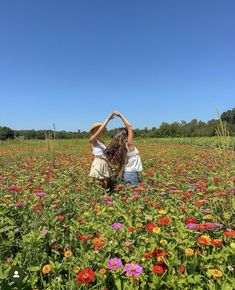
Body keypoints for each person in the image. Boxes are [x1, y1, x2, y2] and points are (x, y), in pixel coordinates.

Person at [104, 112, 143, 186]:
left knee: (129, 195)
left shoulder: (123, 147)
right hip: (131, 175)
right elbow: (130, 127)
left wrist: (118, 173)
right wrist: (120, 115)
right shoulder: (129, 145)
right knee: (133, 195)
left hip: (128, 173)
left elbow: (122, 163)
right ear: (126, 135)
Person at [89, 112, 115, 188]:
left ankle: (105, 197)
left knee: (106, 183)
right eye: (98, 129)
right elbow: (100, 130)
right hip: (98, 162)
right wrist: (109, 118)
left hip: (105, 162)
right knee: (98, 183)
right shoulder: (92, 140)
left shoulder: (102, 141)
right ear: (95, 130)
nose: (100, 130)